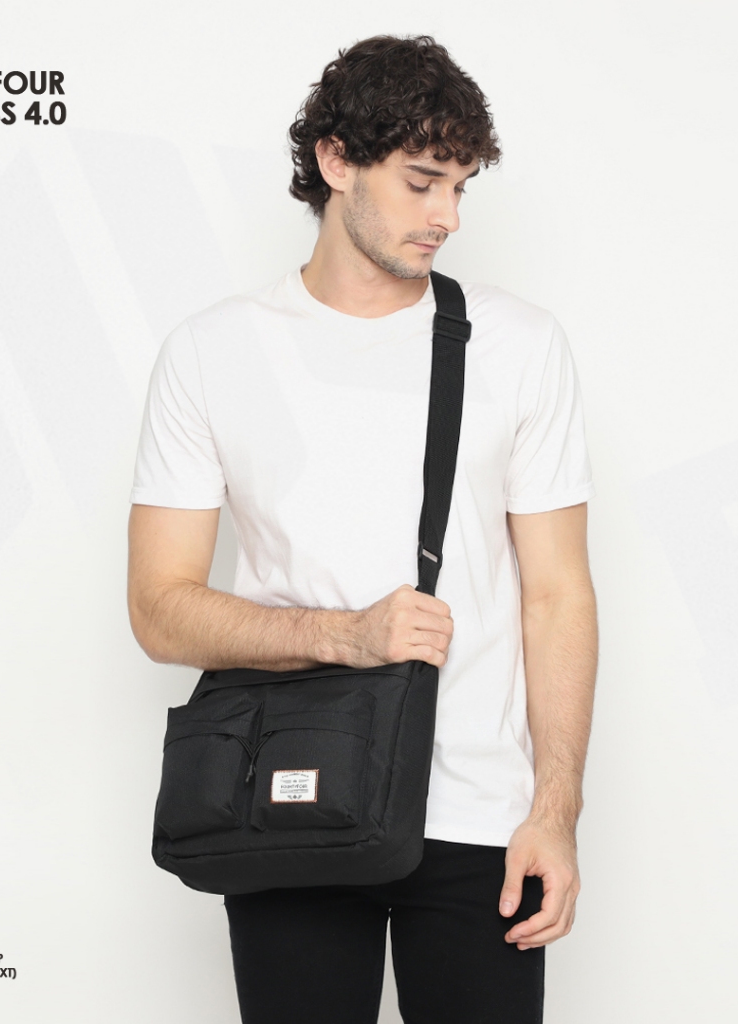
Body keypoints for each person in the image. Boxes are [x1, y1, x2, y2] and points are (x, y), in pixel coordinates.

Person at [128, 33, 597, 1024]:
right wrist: (344, 634)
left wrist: (554, 810)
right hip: (288, 799)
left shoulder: (519, 346)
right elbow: (160, 611)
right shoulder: (211, 353)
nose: (448, 217)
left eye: (461, 187)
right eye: (422, 182)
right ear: (336, 159)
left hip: (479, 815)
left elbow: (557, 595)